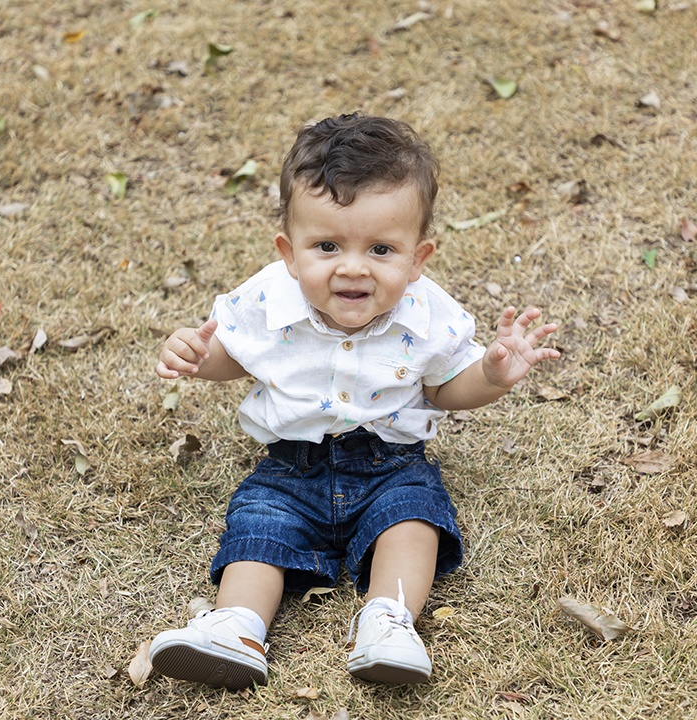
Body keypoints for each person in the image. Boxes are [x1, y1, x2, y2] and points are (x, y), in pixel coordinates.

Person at [149, 113, 560, 690]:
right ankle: (235, 626)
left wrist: (492, 374)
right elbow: (237, 358)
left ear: (418, 258)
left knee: (413, 521)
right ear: (290, 253)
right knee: (257, 531)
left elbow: (445, 389)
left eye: (382, 249)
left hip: (390, 464)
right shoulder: (267, 298)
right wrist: (198, 359)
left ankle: (388, 620)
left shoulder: (427, 313)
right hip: (290, 467)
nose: (352, 266)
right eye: (326, 245)